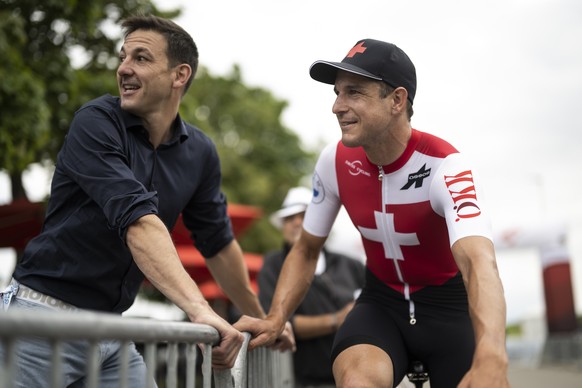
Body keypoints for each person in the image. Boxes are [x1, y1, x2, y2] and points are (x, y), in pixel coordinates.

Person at [0, 14, 293, 387]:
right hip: (42, 320)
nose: (123, 68)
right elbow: (139, 224)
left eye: (140, 58)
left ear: (179, 75)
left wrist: (264, 319)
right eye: (123, 57)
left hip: (111, 331)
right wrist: (199, 311)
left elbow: (219, 246)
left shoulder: (199, 151)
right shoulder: (95, 122)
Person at [235, 39, 510, 387]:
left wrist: (492, 354)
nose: (337, 106)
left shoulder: (446, 167)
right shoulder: (334, 161)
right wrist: (276, 318)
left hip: (449, 308)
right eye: (336, 93)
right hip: (382, 304)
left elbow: (479, 263)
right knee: (357, 381)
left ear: (397, 100)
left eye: (354, 93)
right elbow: (305, 249)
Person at [259, 187, 365, 388]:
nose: (297, 222)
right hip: (301, 380)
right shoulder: (273, 266)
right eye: (290, 218)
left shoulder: (351, 265)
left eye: (304, 215)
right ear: (283, 225)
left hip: (355, 377)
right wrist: (337, 319)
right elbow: (277, 323)